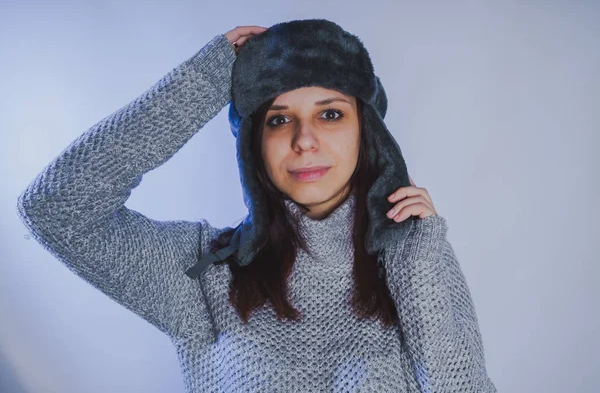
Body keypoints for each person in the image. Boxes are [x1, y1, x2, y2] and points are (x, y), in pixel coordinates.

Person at [17, 19, 497, 392]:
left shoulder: (414, 259)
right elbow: (57, 207)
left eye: (330, 115)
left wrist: (418, 254)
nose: (304, 140)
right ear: (253, 143)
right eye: (277, 119)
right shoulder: (204, 271)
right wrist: (204, 82)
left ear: (367, 133)